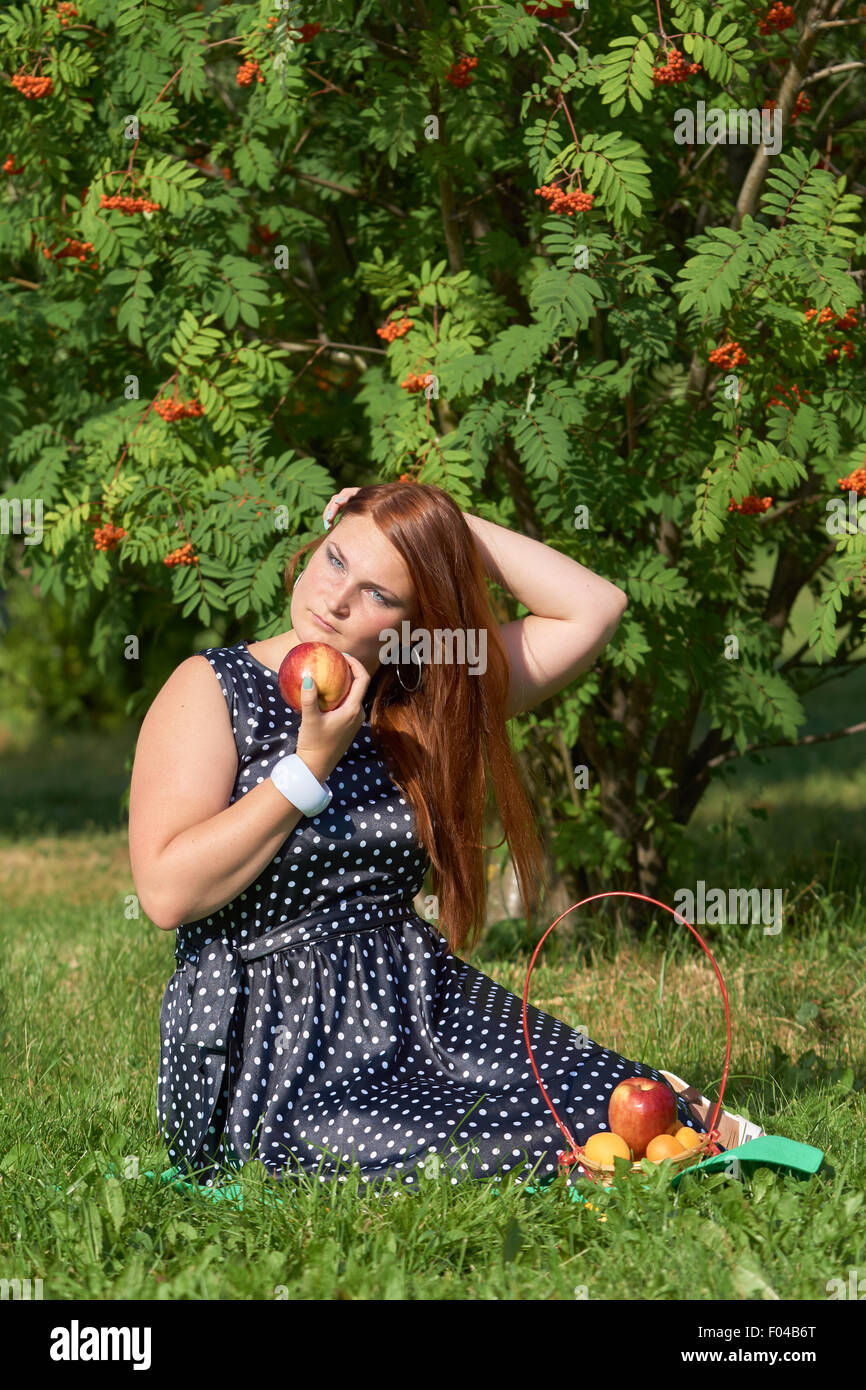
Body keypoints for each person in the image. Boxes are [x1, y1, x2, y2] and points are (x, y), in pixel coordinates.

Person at [130, 482, 758, 1194]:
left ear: (414, 618)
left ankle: (690, 1124)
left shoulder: (425, 696)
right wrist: (308, 768)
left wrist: (445, 532)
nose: (337, 602)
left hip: (422, 999)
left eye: (380, 595)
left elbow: (595, 607)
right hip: (277, 1039)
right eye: (336, 561)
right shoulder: (214, 688)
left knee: (620, 1109)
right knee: (517, 1143)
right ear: (315, 544)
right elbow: (167, 892)